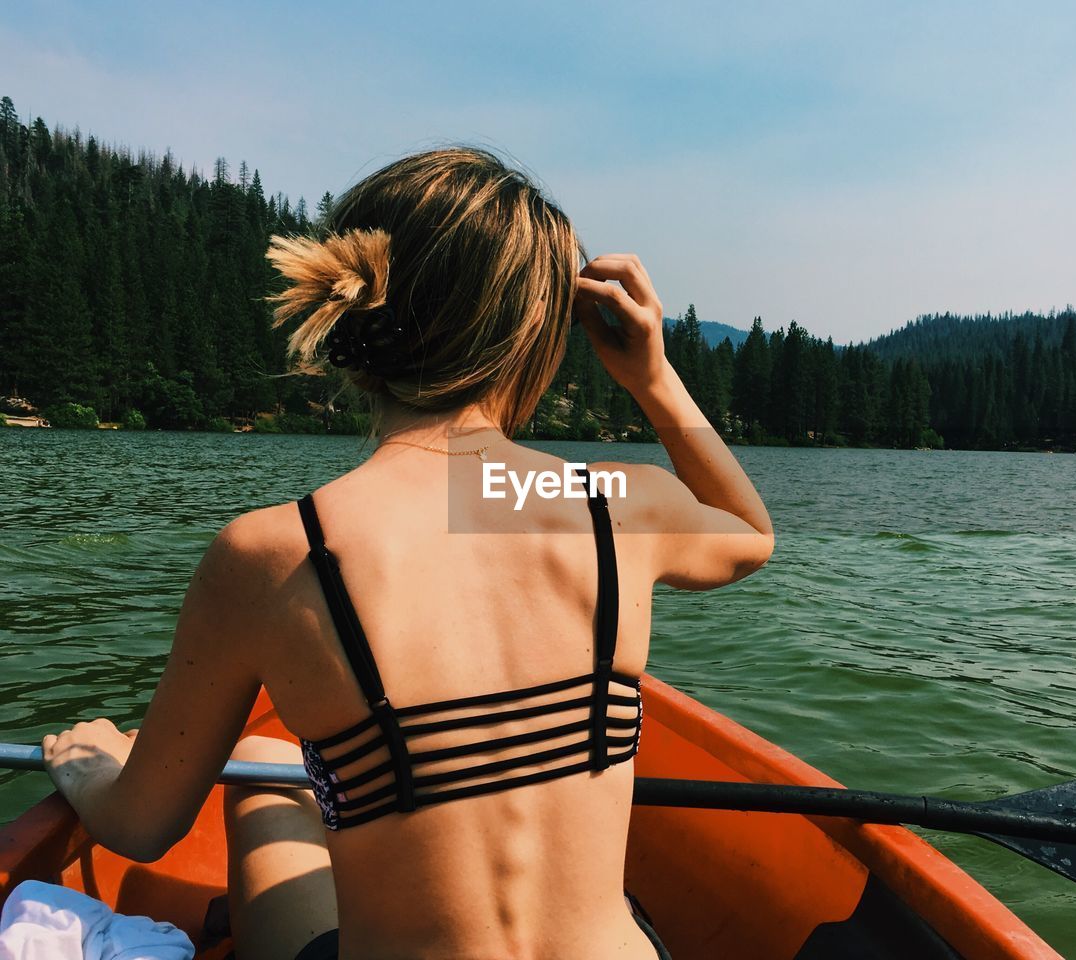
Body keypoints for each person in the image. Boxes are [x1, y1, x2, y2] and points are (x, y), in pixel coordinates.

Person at [40, 147, 774, 960]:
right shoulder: (610, 506)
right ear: (536, 335)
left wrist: (90, 766)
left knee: (259, 758)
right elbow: (749, 535)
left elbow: (142, 826)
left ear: (350, 314)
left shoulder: (273, 553)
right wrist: (655, 377)